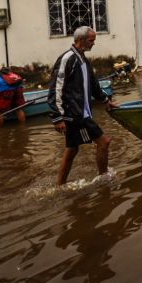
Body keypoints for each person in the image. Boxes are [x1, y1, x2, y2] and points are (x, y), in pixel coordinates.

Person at [47, 26, 118, 185]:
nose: (93, 44)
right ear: (80, 40)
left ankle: (60, 185)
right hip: (75, 115)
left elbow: (93, 85)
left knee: (72, 149)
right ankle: (104, 177)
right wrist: (57, 117)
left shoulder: (84, 60)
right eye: (91, 40)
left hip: (81, 113)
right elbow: (55, 88)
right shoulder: (68, 59)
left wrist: (106, 101)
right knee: (104, 141)